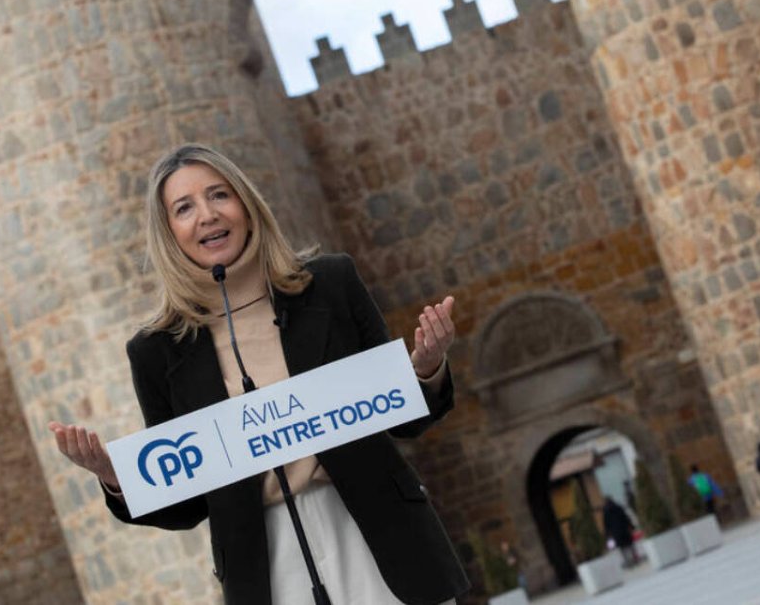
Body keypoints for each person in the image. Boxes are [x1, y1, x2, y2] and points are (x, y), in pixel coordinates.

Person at [47, 145, 469, 604]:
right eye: (184, 208)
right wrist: (118, 478)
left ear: (246, 205)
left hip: (380, 537)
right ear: (169, 232)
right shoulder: (156, 351)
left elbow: (403, 419)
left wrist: (425, 369)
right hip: (265, 567)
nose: (207, 215)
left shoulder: (331, 284)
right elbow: (187, 504)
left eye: (219, 195)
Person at [601, 496, 639, 568]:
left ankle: (628, 561)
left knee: (622, 548)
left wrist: (607, 535)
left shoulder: (606, 512)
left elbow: (606, 525)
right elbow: (625, 517)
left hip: (616, 533)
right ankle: (635, 558)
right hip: (624, 530)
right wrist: (631, 526)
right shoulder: (618, 508)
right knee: (630, 545)